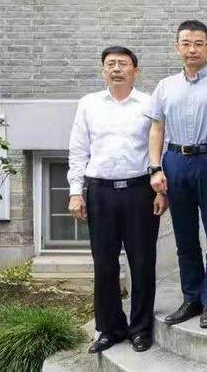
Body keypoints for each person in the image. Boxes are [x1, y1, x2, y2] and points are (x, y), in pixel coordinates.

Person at [68, 46, 166, 354]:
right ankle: (109, 328)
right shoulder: (88, 105)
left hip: (140, 191)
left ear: (135, 70)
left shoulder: (150, 103)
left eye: (123, 64)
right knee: (105, 265)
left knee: (142, 263)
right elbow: (78, 150)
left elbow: (160, 147)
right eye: (110, 64)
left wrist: (162, 190)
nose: (116, 69)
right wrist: (75, 191)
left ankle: (140, 329)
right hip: (100, 192)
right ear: (102, 70)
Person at [146, 20, 207, 330]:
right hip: (175, 162)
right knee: (184, 237)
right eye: (185, 43)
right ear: (177, 47)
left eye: (198, 43)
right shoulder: (165, 86)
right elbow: (156, 129)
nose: (192, 49)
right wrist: (155, 168)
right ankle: (192, 296)